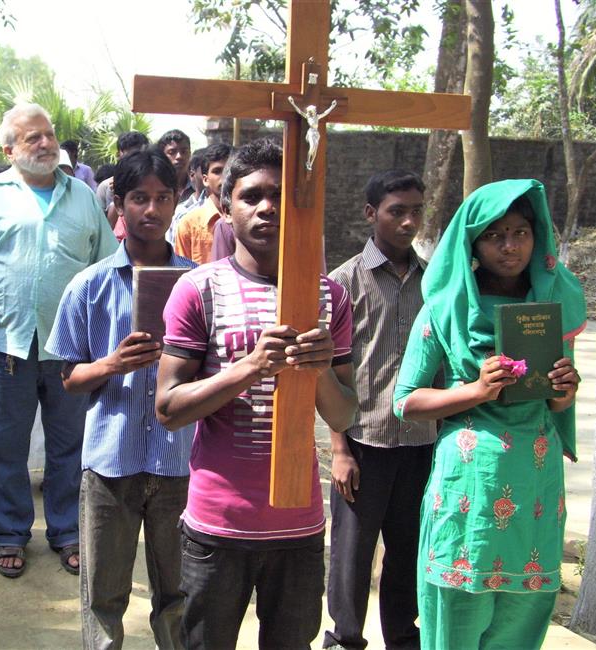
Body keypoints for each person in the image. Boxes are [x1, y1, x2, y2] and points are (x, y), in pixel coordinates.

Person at [155, 138, 358, 648]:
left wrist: (318, 371)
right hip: (218, 524)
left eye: (281, 195)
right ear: (225, 206)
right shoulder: (198, 289)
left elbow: (346, 413)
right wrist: (249, 367)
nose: (268, 207)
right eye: (252, 196)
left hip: (300, 526)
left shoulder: (329, 297)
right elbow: (169, 408)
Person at [392, 179, 585, 650]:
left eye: (521, 232)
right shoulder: (445, 307)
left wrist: (564, 390)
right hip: (469, 489)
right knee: (458, 607)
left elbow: (557, 405)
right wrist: (476, 390)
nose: (510, 245)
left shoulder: (553, 304)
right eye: (495, 235)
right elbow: (407, 401)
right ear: (472, 243)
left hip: (535, 482)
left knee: (523, 614)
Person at [0, 103, 117, 579]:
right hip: (6, 346)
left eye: (49, 134)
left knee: (70, 446)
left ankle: (66, 532)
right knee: (5, 446)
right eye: (32, 137)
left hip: (71, 350)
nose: (45, 143)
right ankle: (10, 534)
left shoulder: (81, 196)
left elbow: (107, 268)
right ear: (8, 150)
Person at [47, 150, 195, 649]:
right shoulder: (89, 286)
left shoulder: (197, 284)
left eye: (162, 198)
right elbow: (69, 377)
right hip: (110, 460)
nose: (151, 210)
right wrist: (113, 363)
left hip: (178, 462)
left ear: (176, 202)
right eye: (139, 198)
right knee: (104, 595)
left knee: (177, 593)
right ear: (118, 203)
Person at [321, 170, 434, 650]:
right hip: (365, 442)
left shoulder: (436, 281)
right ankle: (345, 638)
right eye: (396, 211)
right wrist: (339, 448)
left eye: (415, 211)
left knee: (408, 550)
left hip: (422, 442)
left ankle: (402, 638)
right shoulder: (344, 283)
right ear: (371, 214)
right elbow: (328, 373)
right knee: (351, 554)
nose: (408, 221)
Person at [173, 143, 231, 264]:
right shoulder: (189, 224)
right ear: (205, 179)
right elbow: (183, 272)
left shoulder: (248, 219)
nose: (224, 177)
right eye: (217, 171)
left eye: (229, 170)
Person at [96, 131, 151, 231]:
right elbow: (101, 228)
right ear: (118, 155)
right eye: (129, 156)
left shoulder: (155, 184)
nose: (134, 161)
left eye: (138, 155)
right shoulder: (105, 187)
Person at [157, 130, 194, 204]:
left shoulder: (200, 187)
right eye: (172, 152)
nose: (179, 157)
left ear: (190, 154)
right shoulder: (154, 187)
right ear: (161, 156)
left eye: (184, 152)